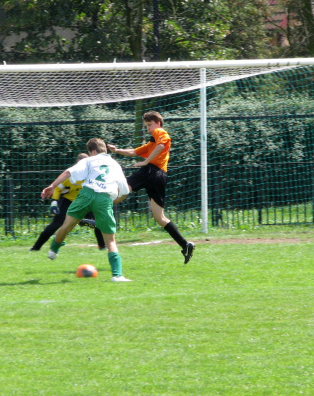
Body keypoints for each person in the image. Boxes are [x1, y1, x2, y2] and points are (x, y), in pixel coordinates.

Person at [107, 111, 195, 264]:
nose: (148, 129)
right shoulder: (151, 144)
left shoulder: (159, 132)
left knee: (121, 191)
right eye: (146, 126)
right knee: (159, 217)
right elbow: (134, 152)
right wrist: (117, 150)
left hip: (151, 171)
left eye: (149, 125)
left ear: (158, 123)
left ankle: (94, 215)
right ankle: (185, 244)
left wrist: (146, 162)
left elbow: (161, 145)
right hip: (160, 177)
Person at [41, 138, 132, 282]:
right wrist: (114, 201)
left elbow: (67, 173)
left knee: (66, 226)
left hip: (86, 194)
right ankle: (117, 275)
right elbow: (126, 190)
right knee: (110, 241)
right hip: (104, 199)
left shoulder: (88, 161)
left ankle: (53, 249)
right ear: (105, 150)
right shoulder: (115, 164)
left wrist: (52, 186)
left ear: (93, 151)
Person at [30, 153, 105, 251]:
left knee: (98, 222)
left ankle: (102, 246)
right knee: (56, 225)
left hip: (86, 202)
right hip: (68, 202)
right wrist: (54, 203)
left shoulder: (93, 175)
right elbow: (57, 189)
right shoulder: (71, 175)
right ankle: (35, 248)